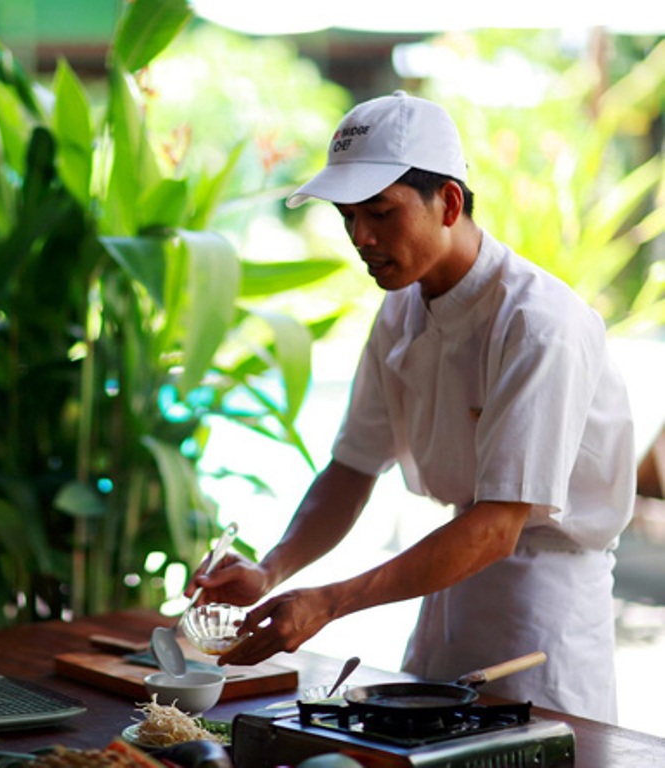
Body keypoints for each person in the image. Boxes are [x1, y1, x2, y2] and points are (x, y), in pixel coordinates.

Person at [189, 91, 635, 723]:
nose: (360, 237)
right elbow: (352, 467)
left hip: (542, 616)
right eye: (348, 216)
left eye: (380, 212)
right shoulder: (399, 309)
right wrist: (271, 570)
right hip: (447, 595)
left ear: (449, 202)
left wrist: (331, 601)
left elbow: (496, 528)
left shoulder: (538, 324)